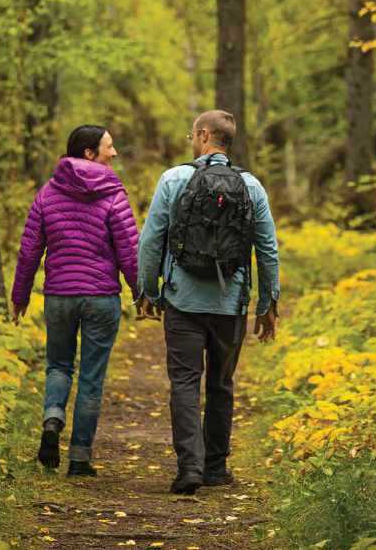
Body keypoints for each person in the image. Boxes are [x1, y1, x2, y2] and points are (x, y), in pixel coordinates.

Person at [137, 109, 279, 495]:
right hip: (230, 305)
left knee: (184, 382)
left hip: (182, 300)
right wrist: (267, 303)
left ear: (203, 135)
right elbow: (267, 250)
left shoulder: (173, 178)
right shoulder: (252, 186)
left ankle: (190, 468)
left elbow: (151, 241)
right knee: (221, 383)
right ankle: (216, 466)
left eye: (191, 134)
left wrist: (148, 291)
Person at [11, 124, 139, 477]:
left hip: (59, 297)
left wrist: (20, 295)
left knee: (58, 367)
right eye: (108, 147)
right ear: (89, 152)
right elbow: (129, 251)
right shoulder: (113, 193)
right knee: (91, 379)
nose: (114, 153)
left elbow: (28, 252)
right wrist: (141, 292)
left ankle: (52, 419)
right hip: (100, 298)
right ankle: (79, 458)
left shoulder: (47, 194)